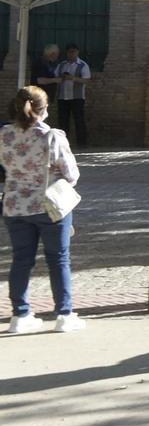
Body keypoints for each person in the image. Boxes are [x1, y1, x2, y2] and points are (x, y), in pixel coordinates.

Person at [4, 86, 83, 334]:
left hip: (15, 204)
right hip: (49, 205)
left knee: (21, 259)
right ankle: (64, 314)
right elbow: (72, 174)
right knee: (58, 259)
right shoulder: (52, 136)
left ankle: (20, 315)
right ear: (44, 108)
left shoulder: (5, 134)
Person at [53, 43, 90, 147]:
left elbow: (86, 80)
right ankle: (63, 144)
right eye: (69, 52)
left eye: (74, 52)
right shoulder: (61, 65)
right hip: (63, 97)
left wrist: (72, 78)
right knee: (63, 121)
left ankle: (82, 143)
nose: (72, 54)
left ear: (77, 52)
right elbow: (55, 76)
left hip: (77, 97)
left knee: (79, 120)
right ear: (66, 53)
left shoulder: (82, 65)